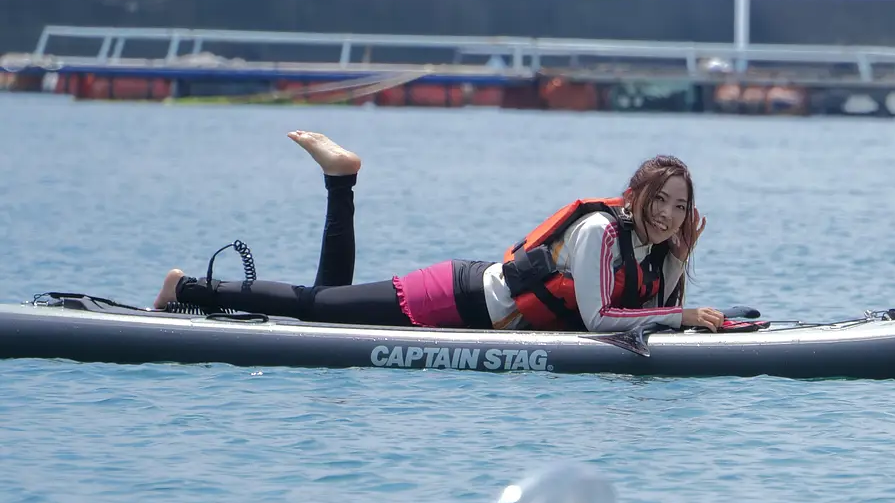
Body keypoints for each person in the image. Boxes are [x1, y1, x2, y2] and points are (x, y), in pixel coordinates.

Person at [154, 131, 726, 333]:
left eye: (681, 208)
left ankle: (340, 179)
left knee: (323, 309)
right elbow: (604, 319)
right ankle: (188, 291)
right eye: (662, 202)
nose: (669, 215)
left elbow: (652, 307)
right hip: (459, 298)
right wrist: (681, 316)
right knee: (317, 306)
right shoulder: (601, 232)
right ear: (635, 197)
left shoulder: (653, 249)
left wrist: (680, 258)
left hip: (481, 307)